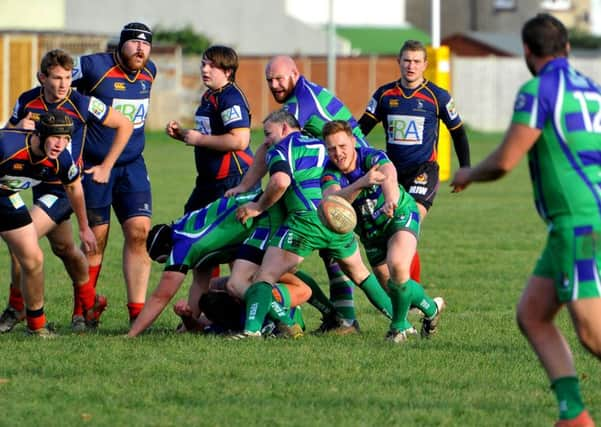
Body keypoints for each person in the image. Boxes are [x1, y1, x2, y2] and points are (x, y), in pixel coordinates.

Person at [450, 14, 599, 427]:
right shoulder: (593, 90)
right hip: (577, 221)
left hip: (579, 222)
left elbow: (505, 160)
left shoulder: (538, 91)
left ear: (528, 53)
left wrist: (468, 173)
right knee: (533, 313)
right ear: (567, 48)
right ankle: (574, 415)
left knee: (592, 333)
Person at [0, 49, 133, 333]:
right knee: (65, 249)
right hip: (37, 182)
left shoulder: (82, 102)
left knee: (23, 238)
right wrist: (19, 128)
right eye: (57, 78)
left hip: (64, 187)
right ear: (41, 78)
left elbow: (124, 124)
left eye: (68, 78)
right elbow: (9, 137)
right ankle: (90, 302)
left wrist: (107, 165)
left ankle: (17, 308)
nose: (63, 85)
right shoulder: (27, 100)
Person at [234, 110, 393, 339]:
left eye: (268, 133)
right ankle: (402, 323)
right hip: (337, 216)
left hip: (306, 222)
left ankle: (252, 331)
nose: (266, 141)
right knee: (361, 275)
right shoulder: (323, 144)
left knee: (265, 275)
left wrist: (258, 206)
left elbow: (280, 182)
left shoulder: (281, 149)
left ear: (285, 128)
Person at [262, 55, 370, 333]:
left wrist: (247, 183)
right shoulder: (306, 93)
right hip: (350, 174)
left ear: (295, 74)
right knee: (337, 251)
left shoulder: (300, 104)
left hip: (351, 177)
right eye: (269, 80)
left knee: (369, 260)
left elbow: (273, 144)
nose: (274, 85)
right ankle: (345, 320)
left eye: (279, 78)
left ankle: (401, 316)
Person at [321, 120, 444, 342]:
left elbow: (389, 173)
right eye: (331, 148)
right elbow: (331, 201)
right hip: (371, 233)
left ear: (352, 142)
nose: (337, 153)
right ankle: (431, 309)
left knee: (398, 265)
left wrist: (390, 199)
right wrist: (362, 183)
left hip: (398, 215)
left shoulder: (370, 157)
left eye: (342, 146)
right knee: (395, 288)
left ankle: (397, 329)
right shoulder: (329, 172)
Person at [358, 39, 471, 281]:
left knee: (408, 223)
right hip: (393, 174)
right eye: (407, 60)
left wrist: (465, 168)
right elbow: (361, 130)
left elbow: (458, 132)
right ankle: (410, 294)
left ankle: (412, 290)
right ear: (398, 62)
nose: (411, 66)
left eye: (416, 61)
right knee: (396, 234)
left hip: (424, 171)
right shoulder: (384, 95)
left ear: (425, 65)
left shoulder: (437, 96)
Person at [127, 189, 311, 337]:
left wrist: (132, 334)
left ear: (168, 248)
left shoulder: (181, 247)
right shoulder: (185, 229)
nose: (168, 265)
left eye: (164, 260)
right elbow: (199, 284)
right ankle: (332, 314)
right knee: (268, 275)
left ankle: (282, 322)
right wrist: (187, 324)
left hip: (265, 215)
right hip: (265, 204)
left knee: (238, 284)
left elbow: (161, 296)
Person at [72, 22, 157, 324]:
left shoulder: (150, 72)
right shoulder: (92, 66)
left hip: (133, 165)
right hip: (95, 167)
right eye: (133, 43)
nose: (139, 49)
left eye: (145, 44)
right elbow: (54, 84)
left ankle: (137, 315)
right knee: (96, 239)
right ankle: (83, 312)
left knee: (139, 233)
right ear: (120, 46)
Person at [0, 111, 95, 336]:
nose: (60, 144)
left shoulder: (61, 158)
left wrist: (84, 227)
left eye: (65, 139)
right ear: (39, 134)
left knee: (33, 259)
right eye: (55, 137)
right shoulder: (7, 146)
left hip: (6, 197)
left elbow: (73, 188)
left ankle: (36, 326)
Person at [165, 45, 255, 212]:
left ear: (228, 71)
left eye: (212, 66)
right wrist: (182, 134)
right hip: (209, 181)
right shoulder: (210, 95)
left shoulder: (230, 98)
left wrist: (199, 139)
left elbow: (239, 140)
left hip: (233, 178)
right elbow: (209, 135)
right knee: (189, 223)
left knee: (218, 234)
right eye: (203, 64)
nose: (205, 69)